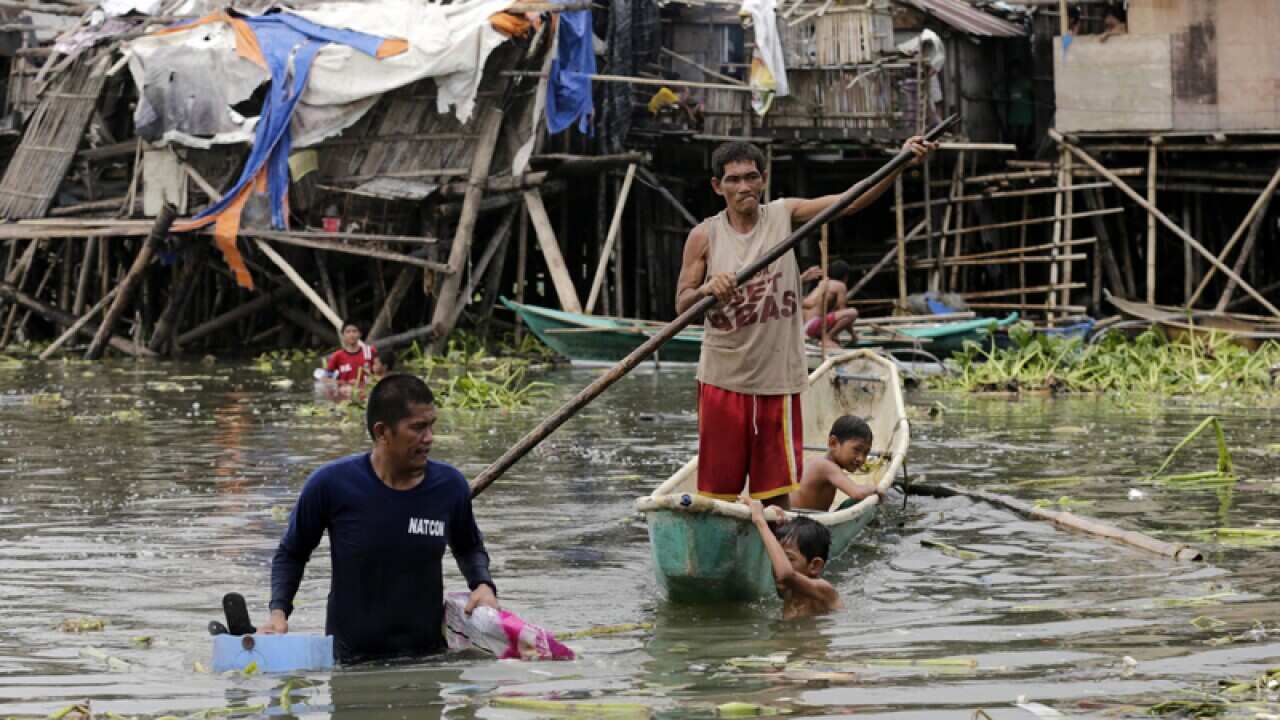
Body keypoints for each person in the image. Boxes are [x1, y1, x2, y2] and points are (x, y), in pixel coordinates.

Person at [675, 138, 934, 508]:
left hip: (778, 380)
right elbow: (681, 303)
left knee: (776, 494)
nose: (744, 187)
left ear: (763, 180)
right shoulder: (705, 236)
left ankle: (777, 551)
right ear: (718, 186)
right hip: (723, 378)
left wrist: (898, 164)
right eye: (733, 180)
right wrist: (707, 289)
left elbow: (849, 201)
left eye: (751, 177)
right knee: (717, 492)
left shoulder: (782, 215)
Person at [262, 374, 499, 663]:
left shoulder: (449, 487)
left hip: (426, 662)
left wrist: (483, 585)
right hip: (351, 664)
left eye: (431, 425)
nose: (429, 438)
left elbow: (469, 547)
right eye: (417, 428)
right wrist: (278, 613)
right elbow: (292, 553)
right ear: (382, 432)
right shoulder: (331, 485)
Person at [742, 498, 842, 618]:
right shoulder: (787, 590)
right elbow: (775, 551)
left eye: (789, 559)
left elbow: (786, 574)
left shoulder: (823, 590)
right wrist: (769, 517)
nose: (777, 566)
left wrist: (760, 521)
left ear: (814, 566)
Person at [791, 415, 883, 512]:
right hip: (798, 523)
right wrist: (875, 489)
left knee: (857, 501)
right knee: (862, 499)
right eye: (856, 450)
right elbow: (857, 493)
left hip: (811, 519)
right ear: (833, 443)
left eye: (865, 453)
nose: (861, 458)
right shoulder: (825, 466)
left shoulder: (826, 465)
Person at [800, 260, 859, 349]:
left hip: (807, 327)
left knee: (839, 315)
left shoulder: (824, 284)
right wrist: (853, 335)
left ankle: (827, 337)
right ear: (846, 276)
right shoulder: (840, 285)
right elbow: (843, 312)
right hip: (813, 325)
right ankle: (827, 337)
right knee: (853, 312)